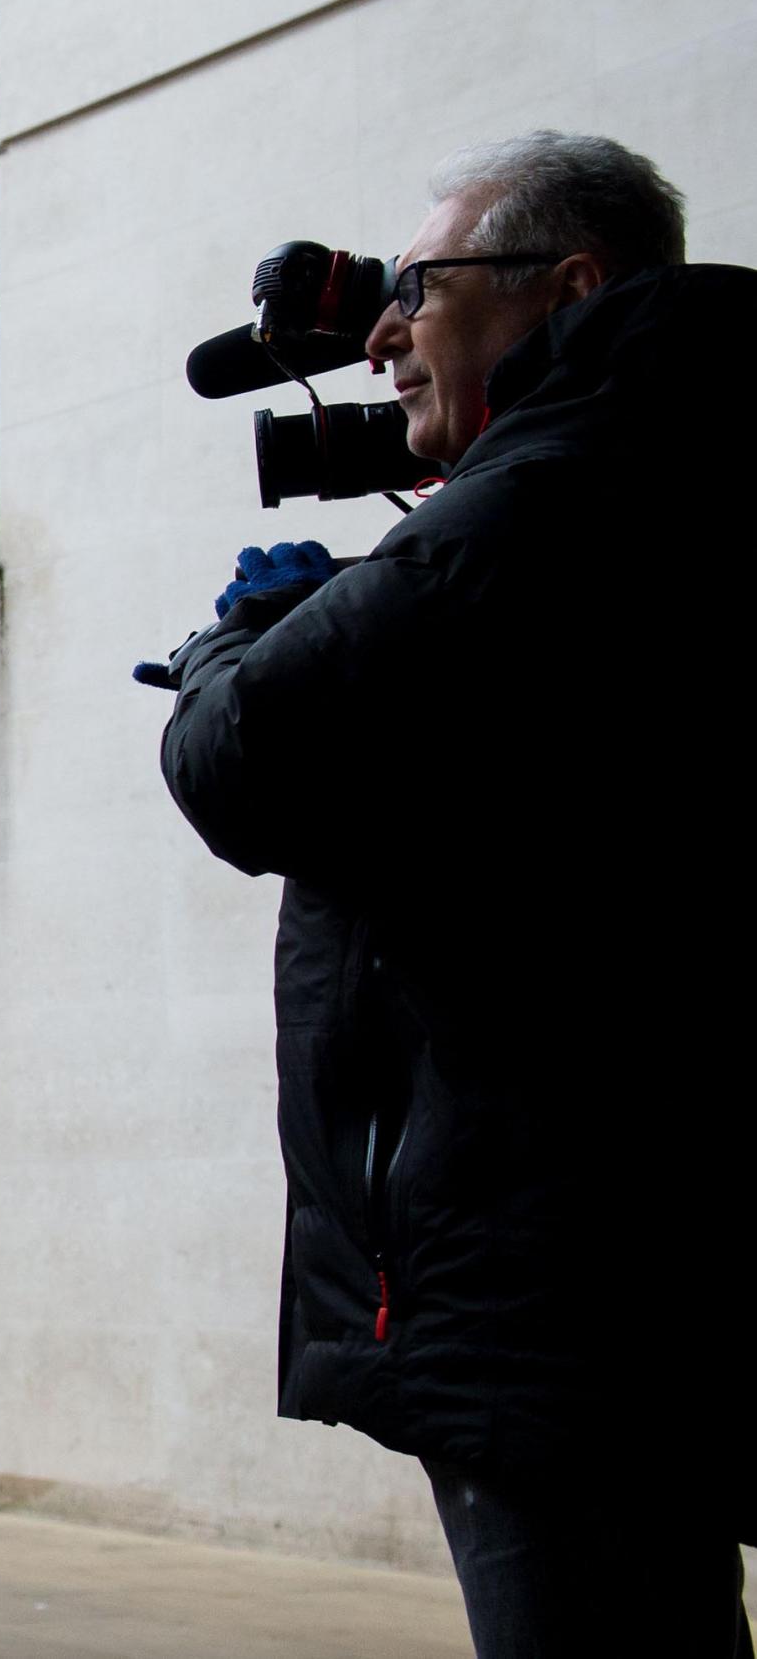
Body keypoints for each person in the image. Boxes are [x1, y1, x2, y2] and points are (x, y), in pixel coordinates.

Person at [154, 132, 753, 1657]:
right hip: (615, 1256)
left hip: (553, 1276)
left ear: (573, 287)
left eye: (420, 285)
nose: (381, 332)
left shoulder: (555, 498)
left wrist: (240, 643)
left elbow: (242, 758)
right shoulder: (667, 466)